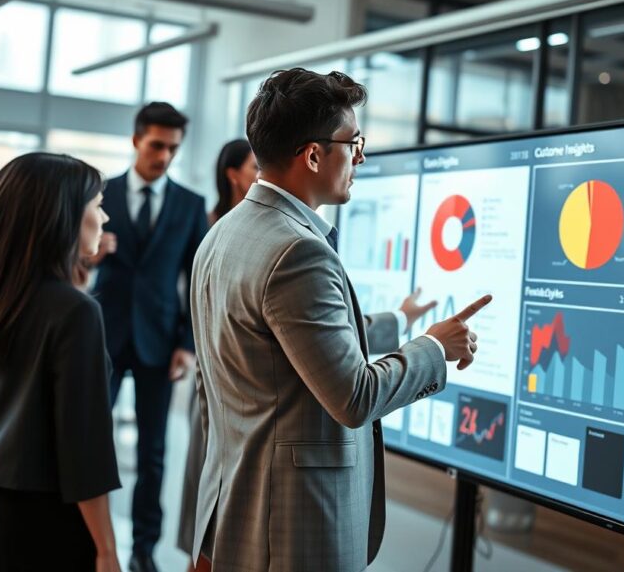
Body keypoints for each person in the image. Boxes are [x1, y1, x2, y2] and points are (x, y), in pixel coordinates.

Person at [189, 68, 491, 571]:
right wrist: (435, 347)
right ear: (313, 154)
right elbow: (354, 398)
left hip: (235, 506)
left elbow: (259, 363)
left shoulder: (221, 235)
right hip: (287, 524)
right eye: (354, 142)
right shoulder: (298, 252)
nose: (361, 156)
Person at [0, 152, 121, 572]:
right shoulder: (75, 312)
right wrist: (107, 550)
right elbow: (84, 447)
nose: (105, 217)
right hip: (46, 516)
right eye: (96, 205)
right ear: (63, 216)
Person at [88, 102, 209, 572]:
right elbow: (72, 263)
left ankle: (143, 549)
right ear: (137, 140)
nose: (164, 156)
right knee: (92, 444)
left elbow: (199, 281)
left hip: (161, 341)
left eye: (173, 149)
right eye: (157, 145)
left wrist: (188, 343)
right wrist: (91, 258)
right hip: (105, 336)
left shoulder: (189, 205)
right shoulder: (100, 194)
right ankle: (93, 541)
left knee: (153, 453)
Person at [175, 139, 257, 567]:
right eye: (254, 165)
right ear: (233, 174)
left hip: (240, 380)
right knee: (207, 482)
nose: (262, 173)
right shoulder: (211, 226)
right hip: (216, 371)